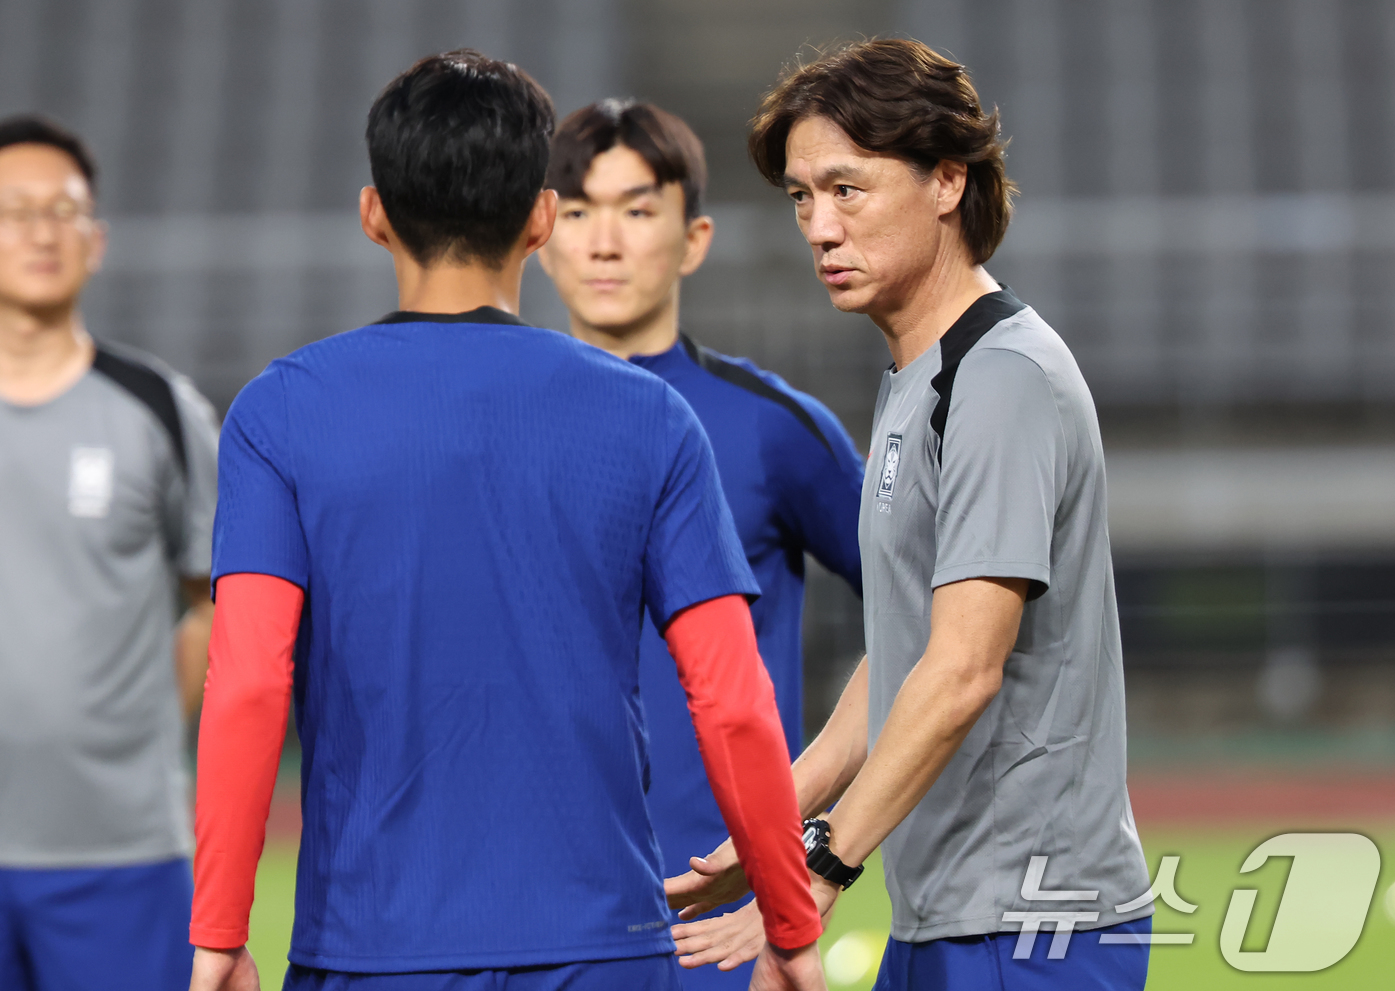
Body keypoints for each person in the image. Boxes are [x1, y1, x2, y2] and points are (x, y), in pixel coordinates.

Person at [186, 51, 827, 991]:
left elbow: (245, 683)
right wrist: (790, 925)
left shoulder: (278, 412)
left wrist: (218, 932)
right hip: (604, 947)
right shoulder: (650, 417)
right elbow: (732, 697)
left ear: (374, 214)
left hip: (371, 951)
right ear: (540, 219)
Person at [667, 39, 1155, 991]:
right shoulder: (917, 374)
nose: (818, 225)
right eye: (803, 196)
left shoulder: (1000, 376)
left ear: (945, 180)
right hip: (950, 920)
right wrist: (775, 823)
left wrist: (819, 865)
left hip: (1031, 930)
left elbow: (965, 666)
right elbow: (907, 652)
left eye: (848, 189)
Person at [538, 99, 864, 989]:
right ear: (540, 231)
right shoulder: (493, 427)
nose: (605, 241)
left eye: (638, 210)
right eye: (576, 210)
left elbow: (937, 613)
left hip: (725, 938)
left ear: (694, 238)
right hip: (536, 923)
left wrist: (822, 804)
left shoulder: (773, 429)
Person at [0, 115, 219, 991]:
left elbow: (209, 595)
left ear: (97, 240)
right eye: (16, 210)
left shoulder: (161, 411)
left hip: (120, 854)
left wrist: (144, 738)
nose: (43, 231)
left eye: (64, 210)